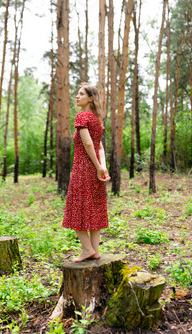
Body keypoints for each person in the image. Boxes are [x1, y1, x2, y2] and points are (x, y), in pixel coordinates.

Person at [62, 83, 110, 263]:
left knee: (77, 208)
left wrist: (99, 167)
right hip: (95, 170)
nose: (77, 96)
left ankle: (87, 249)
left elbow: (90, 145)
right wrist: (101, 167)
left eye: (81, 94)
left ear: (90, 98)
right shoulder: (97, 119)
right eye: (77, 93)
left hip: (83, 169)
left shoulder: (81, 117)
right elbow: (100, 146)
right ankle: (95, 250)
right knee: (94, 208)